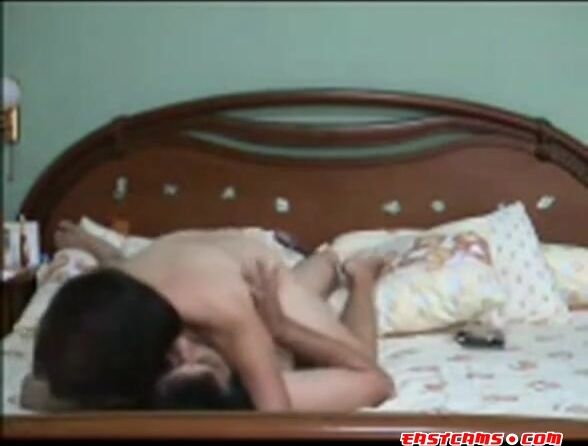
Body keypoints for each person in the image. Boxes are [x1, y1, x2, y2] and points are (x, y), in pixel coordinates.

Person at [33, 221, 394, 412]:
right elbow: (38, 390)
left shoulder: (225, 312)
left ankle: (357, 274)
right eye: (173, 359)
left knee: (358, 354)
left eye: (181, 353)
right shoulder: (112, 307)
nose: (188, 353)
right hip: (163, 262)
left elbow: (277, 417)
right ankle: (322, 264)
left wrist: (282, 328)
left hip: (253, 273)